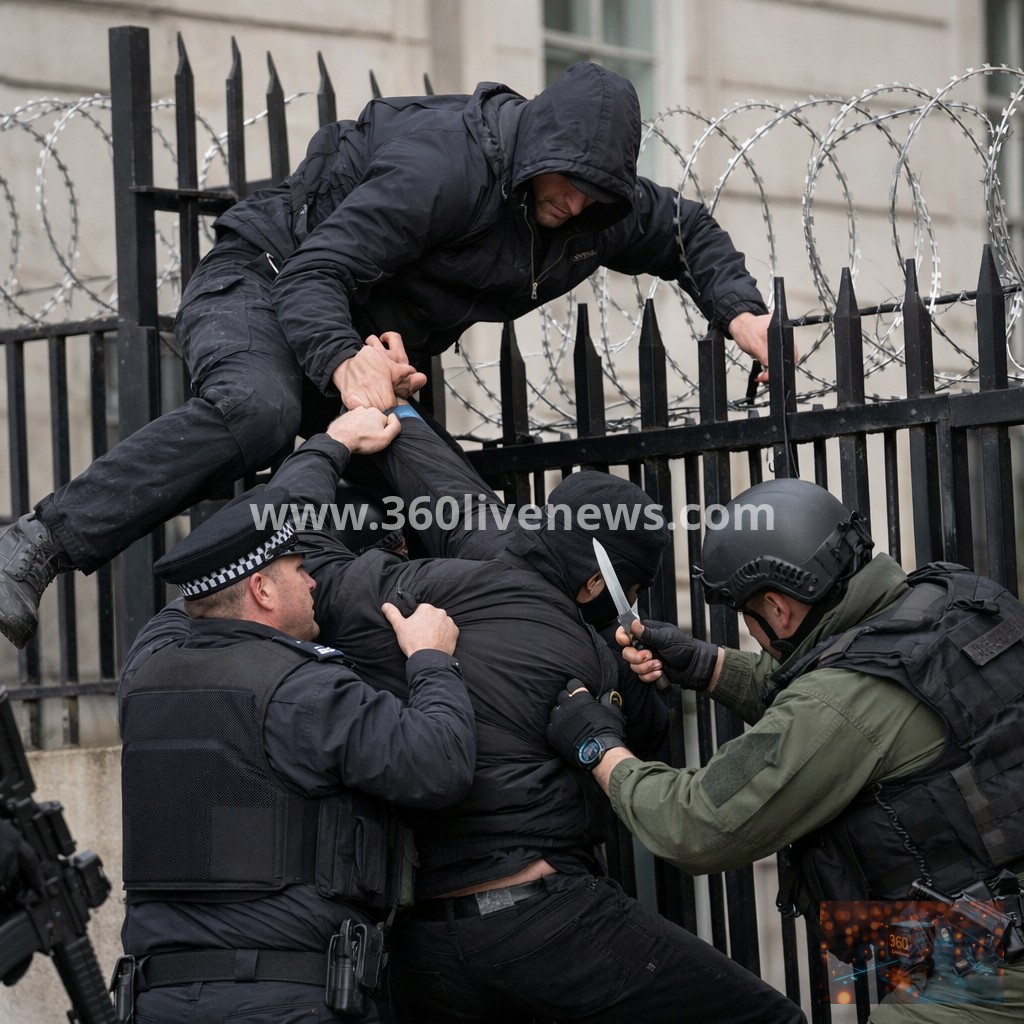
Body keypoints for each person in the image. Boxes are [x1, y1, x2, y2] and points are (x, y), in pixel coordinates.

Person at [0, 60, 772, 650]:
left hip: (363, 343)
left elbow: (686, 231)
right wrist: (349, 364)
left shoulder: (598, 212)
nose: (572, 206)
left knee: (462, 522)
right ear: (536, 149)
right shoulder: (444, 169)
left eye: (592, 197)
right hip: (268, 285)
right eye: (565, 184)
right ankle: (39, 541)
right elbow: (314, 274)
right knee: (259, 411)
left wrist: (742, 314)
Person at [276, 402, 805, 1023]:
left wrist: (362, 422)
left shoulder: (413, 592)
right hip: (547, 924)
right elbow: (646, 749)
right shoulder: (587, 651)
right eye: (625, 595)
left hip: (422, 951)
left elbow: (313, 534)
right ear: (591, 588)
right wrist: (633, 669)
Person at [545, 476, 1024, 1022]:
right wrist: (708, 665)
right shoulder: (945, 602)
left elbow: (699, 824)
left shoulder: (840, 702)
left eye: (747, 617)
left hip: (993, 964)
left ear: (776, 607)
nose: (750, 632)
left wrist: (599, 747)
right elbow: (834, 685)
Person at [113, 406, 476, 1024]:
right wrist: (431, 661)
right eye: (301, 569)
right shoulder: (303, 688)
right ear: (260, 590)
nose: (314, 583)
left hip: (156, 1001)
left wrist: (329, 446)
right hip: (284, 999)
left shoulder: (144, 672)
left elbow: (211, 578)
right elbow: (437, 764)